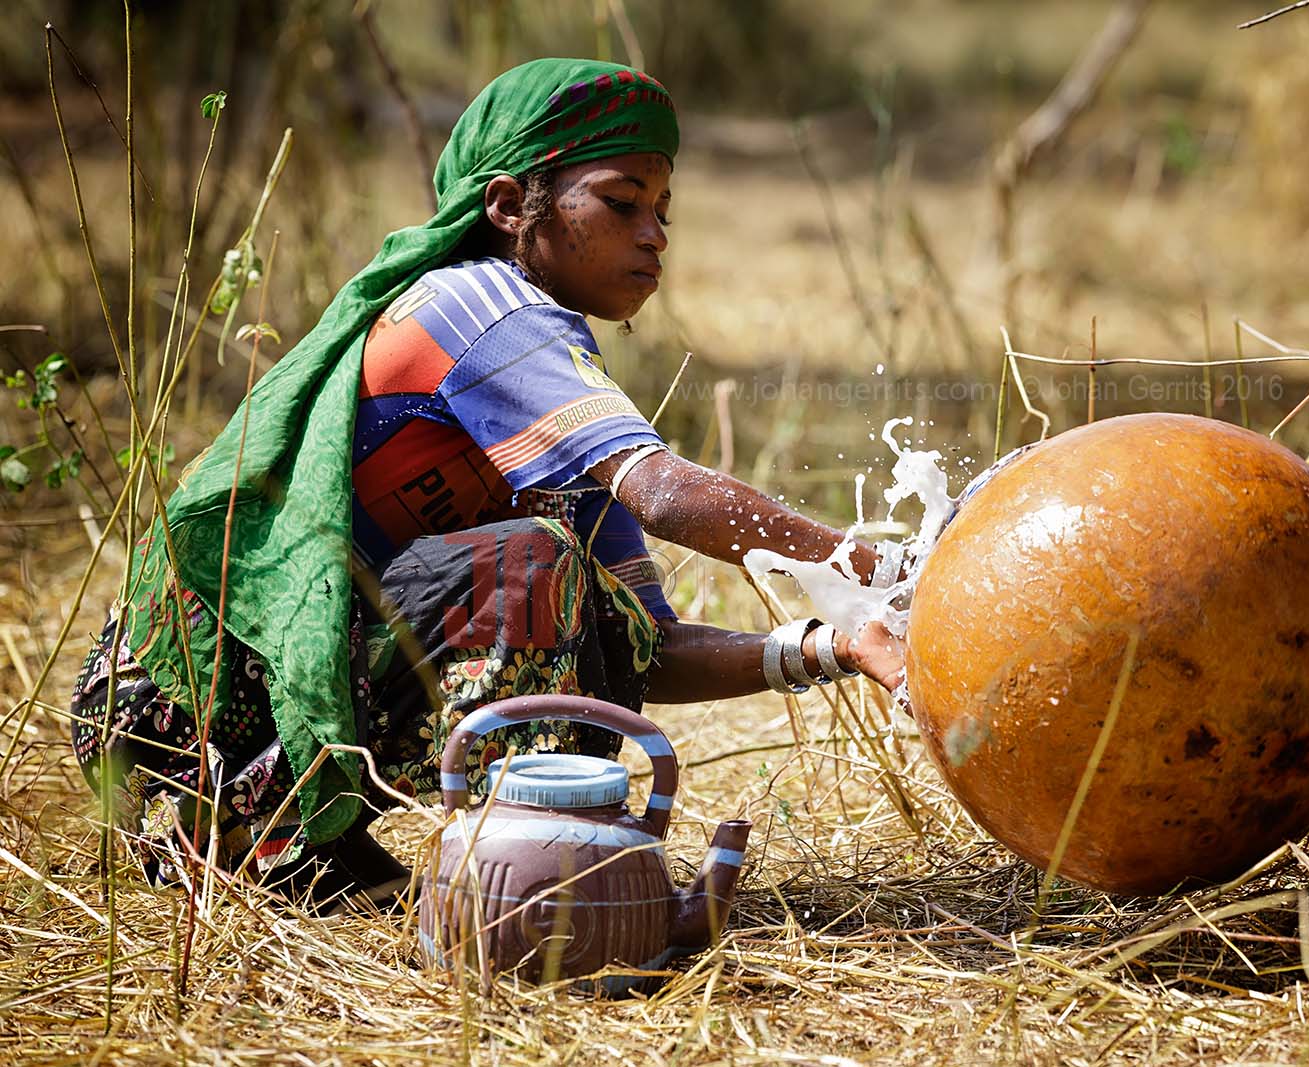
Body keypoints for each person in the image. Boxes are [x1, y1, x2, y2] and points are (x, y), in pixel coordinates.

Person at [69, 58, 906, 908]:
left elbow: (641, 652)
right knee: (532, 564)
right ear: (510, 207)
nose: (655, 234)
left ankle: (378, 862)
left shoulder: (555, 402)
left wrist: (833, 646)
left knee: (581, 603)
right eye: (622, 203)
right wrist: (880, 569)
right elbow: (664, 494)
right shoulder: (477, 309)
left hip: (263, 718)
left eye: (662, 210)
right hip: (175, 718)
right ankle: (480, 876)